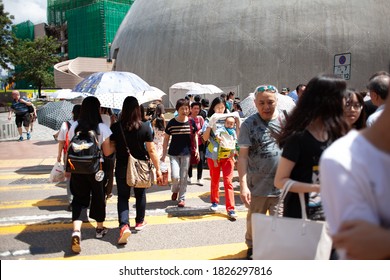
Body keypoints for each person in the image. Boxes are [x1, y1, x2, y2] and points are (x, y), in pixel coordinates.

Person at [320, 84, 390, 259]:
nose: (352, 110)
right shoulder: (327, 142)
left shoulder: (369, 135)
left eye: (357, 105)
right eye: (347, 105)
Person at [273, 74, 349, 223]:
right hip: (301, 218)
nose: (345, 100)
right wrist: (317, 188)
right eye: (342, 95)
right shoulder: (299, 138)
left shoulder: (337, 133)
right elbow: (280, 181)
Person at [237, 84, 286, 260]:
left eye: (270, 102)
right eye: (262, 102)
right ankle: (252, 247)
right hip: (256, 185)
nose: (266, 106)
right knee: (255, 222)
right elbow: (242, 157)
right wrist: (243, 186)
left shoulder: (286, 121)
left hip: (281, 185)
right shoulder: (248, 124)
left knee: (279, 223)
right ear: (256, 104)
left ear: (277, 102)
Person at [110, 96, 162, 245]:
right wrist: (158, 169)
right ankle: (139, 222)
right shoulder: (145, 126)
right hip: (140, 166)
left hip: (122, 166)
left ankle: (124, 225)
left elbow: (111, 148)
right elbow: (151, 150)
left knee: (123, 197)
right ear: (138, 109)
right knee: (140, 195)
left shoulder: (116, 127)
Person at [67, 96, 114, 254]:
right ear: (98, 109)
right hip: (96, 169)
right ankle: (99, 229)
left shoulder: (74, 126)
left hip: (77, 168)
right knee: (98, 197)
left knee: (79, 199)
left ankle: (76, 232)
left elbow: (70, 145)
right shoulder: (102, 128)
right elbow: (107, 152)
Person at [202, 97, 239, 220]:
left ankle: (231, 208)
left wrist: (237, 121)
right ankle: (215, 202)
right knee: (215, 180)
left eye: (222, 107)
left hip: (228, 154)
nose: (220, 110)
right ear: (213, 107)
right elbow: (205, 138)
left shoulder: (229, 118)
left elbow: (237, 135)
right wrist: (210, 124)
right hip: (213, 155)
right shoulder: (209, 119)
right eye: (218, 107)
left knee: (228, 182)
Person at [161, 98, 198, 207]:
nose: (185, 111)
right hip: (173, 154)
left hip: (186, 153)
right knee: (175, 176)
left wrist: (195, 149)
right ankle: (175, 189)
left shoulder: (191, 122)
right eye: (182, 108)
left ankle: (182, 198)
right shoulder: (172, 122)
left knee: (184, 177)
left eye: (186, 108)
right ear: (177, 109)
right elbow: (166, 138)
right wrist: (163, 155)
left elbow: (194, 135)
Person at [56, 104, 81, 211]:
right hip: (85, 155)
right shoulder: (86, 124)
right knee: (83, 178)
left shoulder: (65, 125)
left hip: (69, 155)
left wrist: (59, 155)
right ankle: (82, 199)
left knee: (70, 178)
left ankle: (71, 201)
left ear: (72, 113)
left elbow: (61, 141)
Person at [188, 102, 205, 186]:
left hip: (200, 142)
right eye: (194, 108)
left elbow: (204, 127)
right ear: (191, 109)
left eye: (198, 108)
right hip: (190, 143)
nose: (196, 110)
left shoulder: (200, 118)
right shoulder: (188, 119)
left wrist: (201, 132)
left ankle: (199, 178)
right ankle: (189, 176)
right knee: (190, 160)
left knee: (200, 160)